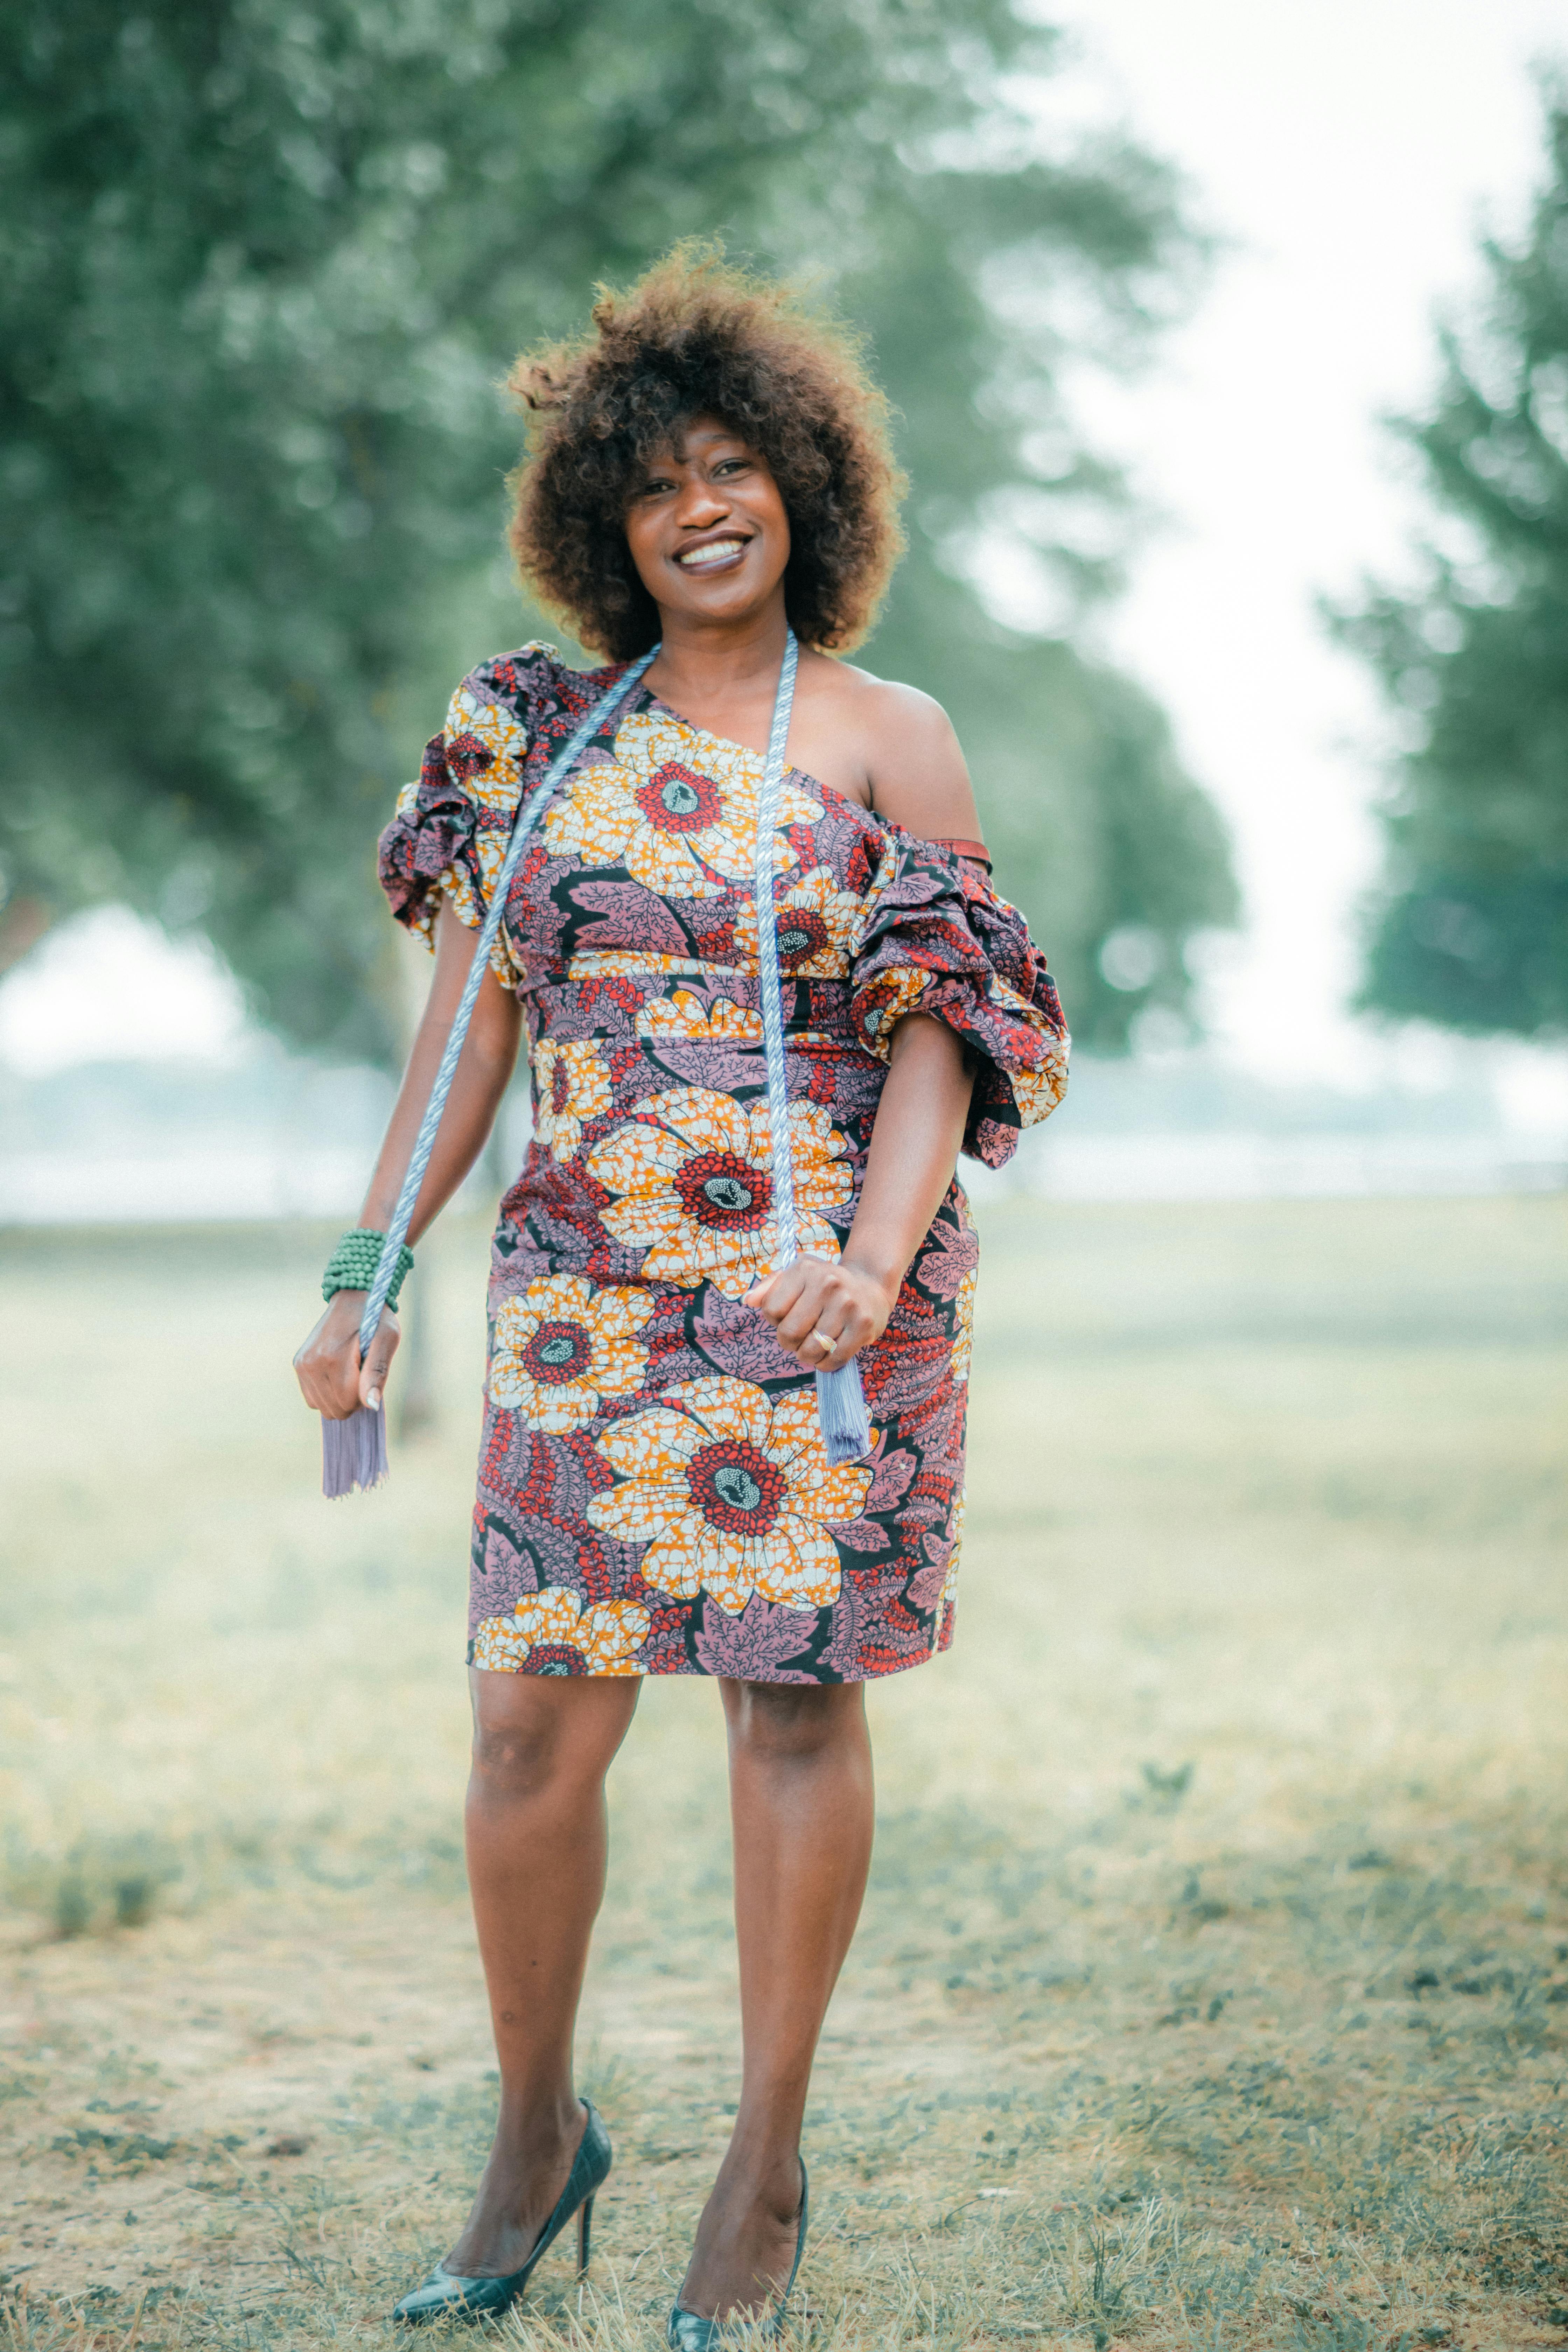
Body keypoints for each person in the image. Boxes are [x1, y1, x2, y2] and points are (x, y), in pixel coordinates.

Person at [292, 248, 1068, 2342]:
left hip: (826, 1298)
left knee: (790, 1707)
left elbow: (951, 1028)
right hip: (585, 1303)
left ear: (805, 483)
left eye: (736, 465)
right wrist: (369, 1273)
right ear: (602, 526)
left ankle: (767, 2158)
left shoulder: (893, 738)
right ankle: (536, 2128)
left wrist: (870, 1264)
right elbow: (467, 1030)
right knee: (528, 1726)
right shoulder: (533, 739)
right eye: (655, 483)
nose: (700, 506)